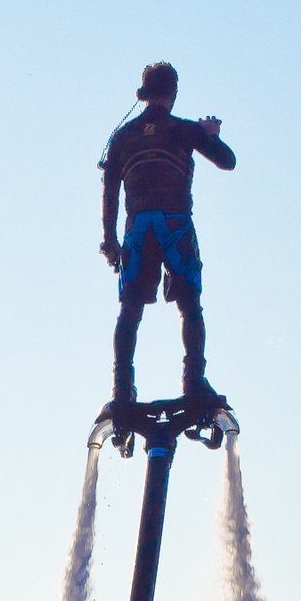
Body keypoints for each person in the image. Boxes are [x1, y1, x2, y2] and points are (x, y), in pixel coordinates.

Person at [100, 61, 235, 408]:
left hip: (137, 229)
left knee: (130, 311)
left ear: (144, 94)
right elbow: (227, 161)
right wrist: (211, 135)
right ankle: (193, 381)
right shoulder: (183, 130)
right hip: (175, 226)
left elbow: (110, 191)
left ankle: (122, 386)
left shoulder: (122, 137)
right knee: (190, 306)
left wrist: (111, 240)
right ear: (173, 93)